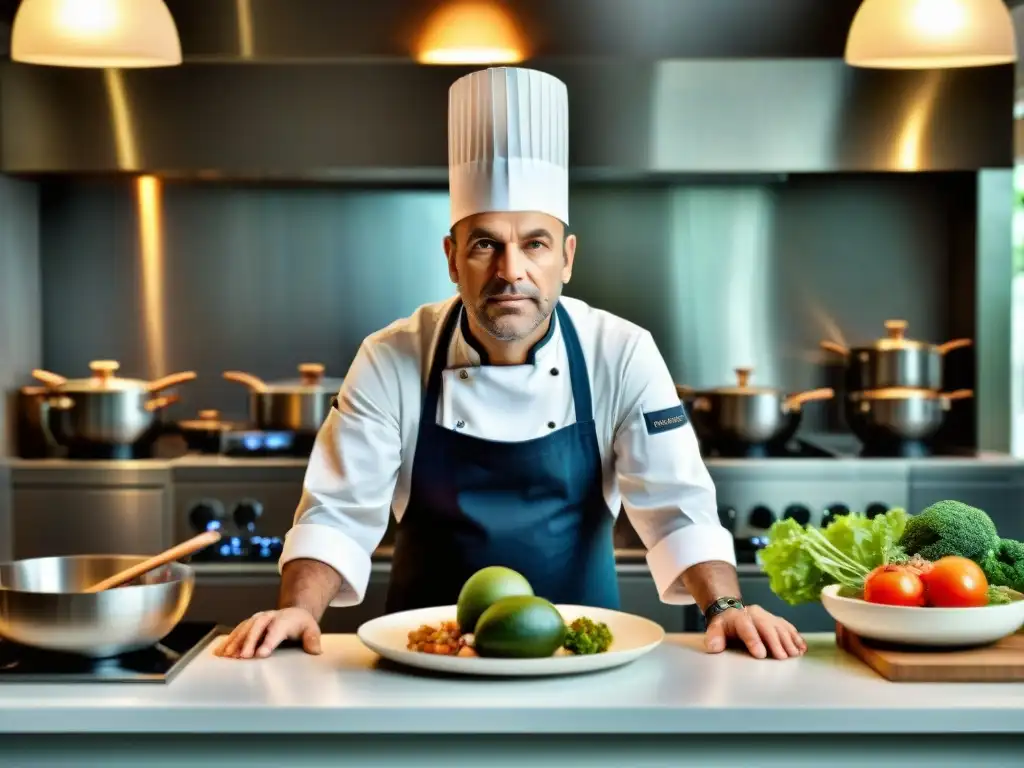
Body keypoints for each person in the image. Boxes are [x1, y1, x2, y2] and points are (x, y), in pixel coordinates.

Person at [217, 66, 806, 662]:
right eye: (485, 244)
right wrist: (298, 609)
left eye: (535, 243)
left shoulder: (621, 352)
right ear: (452, 258)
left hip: (582, 659)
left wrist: (726, 608)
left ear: (567, 258)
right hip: (426, 662)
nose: (510, 272)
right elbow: (337, 512)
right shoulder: (392, 356)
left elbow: (678, 506)